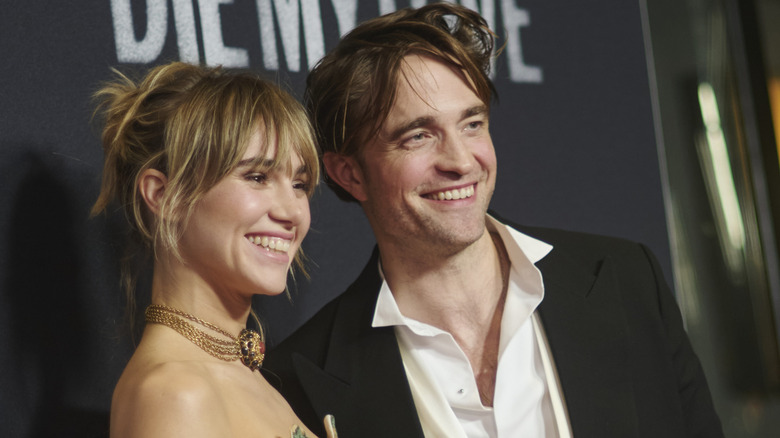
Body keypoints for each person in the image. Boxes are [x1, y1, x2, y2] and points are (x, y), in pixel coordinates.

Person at [263, 3, 724, 438]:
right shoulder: (300, 379)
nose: (461, 161)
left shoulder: (626, 281)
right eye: (419, 135)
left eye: (472, 124)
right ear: (350, 173)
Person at [92, 62, 337, 438]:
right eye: (257, 177)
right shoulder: (175, 394)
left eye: (300, 184)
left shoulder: (241, 375)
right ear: (164, 196)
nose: (292, 212)